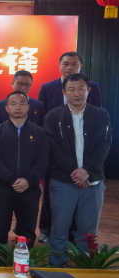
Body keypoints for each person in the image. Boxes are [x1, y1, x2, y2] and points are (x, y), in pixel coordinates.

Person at [44, 74, 111, 267]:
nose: (77, 93)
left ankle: (85, 266)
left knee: (87, 232)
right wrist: (76, 172)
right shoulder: (53, 116)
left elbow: (104, 146)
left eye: (81, 89)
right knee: (59, 229)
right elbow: (54, 148)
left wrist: (87, 171)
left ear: (88, 91)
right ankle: (57, 265)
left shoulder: (101, 115)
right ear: (64, 93)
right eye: (71, 89)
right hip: (63, 182)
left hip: (93, 182)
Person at [37, 51, 103, 243]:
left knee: (82, 202)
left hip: (86, 152)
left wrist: (85, 170)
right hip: (56, 154)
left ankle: (75, 234)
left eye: (74, 64)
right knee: (51, 195)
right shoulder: (48, 87)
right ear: (60, 66)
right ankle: (47, 229)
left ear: (80, 66)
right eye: (65, 64)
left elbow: (98, 122)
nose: (69, 67)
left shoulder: (92, 88)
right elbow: (42, 118)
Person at [0, 91, 49, 250]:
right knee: (0, 227)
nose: (18, 107)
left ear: (28, 107)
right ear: (6, 108)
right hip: (4, 188)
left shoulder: (39, 132)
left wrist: (28, 180)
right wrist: (11, 179)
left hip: (30, 189)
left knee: (27, 229)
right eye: (13, 104)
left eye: (22, 104)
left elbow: (43, 160)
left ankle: (24, 260)